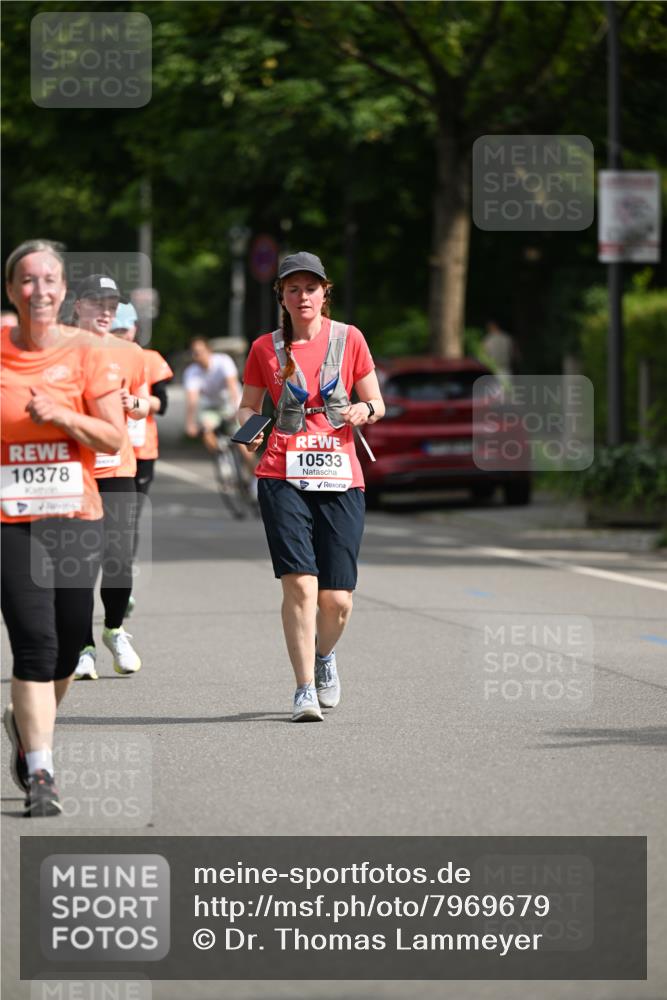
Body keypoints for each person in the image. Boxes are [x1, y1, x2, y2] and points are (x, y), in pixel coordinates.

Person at [1, 239, 124, 815]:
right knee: (35, 642)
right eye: (27, 281)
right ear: (11, 290)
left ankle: (25, 725)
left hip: (76, 516)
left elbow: (112, 438)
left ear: (62, 289)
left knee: (69, 646)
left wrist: (62, 415)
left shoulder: (89, 353)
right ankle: (41, 770)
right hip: (10, 521)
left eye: (49, 280)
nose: (39, 291)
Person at [238, 251, 385, 722]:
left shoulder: (350, 338)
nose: (303, 296)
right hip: (283, 473)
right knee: (300, 586)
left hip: (341, 475)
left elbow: (375, 400)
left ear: (326, 293)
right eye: (293, 288)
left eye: (311, 287)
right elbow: (248, 406)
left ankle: (324, 656)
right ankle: (303, 688)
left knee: (336, 600)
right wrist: (250, 431)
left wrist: (366, 410)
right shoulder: (265, 347)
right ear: (280, 295)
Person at [71, 276, 151, 680]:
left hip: (118, 465)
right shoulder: (58, 349)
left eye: (112, 303)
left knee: (119, 560)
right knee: (79, 565)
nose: (105, 311)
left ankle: (114, 630)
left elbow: (148, 400)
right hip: (74, 470)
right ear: (77, 306)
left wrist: (136, 403)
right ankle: (83, 647)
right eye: (96, 302)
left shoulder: (130, 353)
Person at [110, 302, 173, 615]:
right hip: (104, 451)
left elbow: (163, 403)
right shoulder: (98, 357)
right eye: (115, 329)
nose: (122, 334)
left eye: (126, 328)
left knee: (128, 518)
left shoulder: (149, 359)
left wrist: (136, 401)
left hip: (141, 449)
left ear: (136, 328)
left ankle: (123, 583)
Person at [480, 319, 520, 383]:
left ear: (490, 327)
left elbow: (483, 356)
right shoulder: (508, 338)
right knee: (507, 391)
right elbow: (516, 355)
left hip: (494, 370)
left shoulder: (487, 340)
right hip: (507, 369)